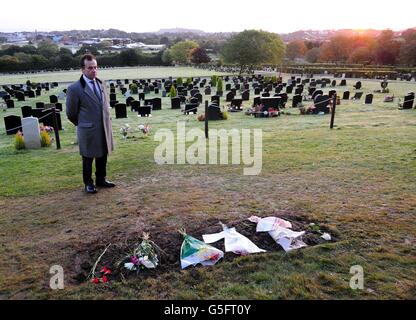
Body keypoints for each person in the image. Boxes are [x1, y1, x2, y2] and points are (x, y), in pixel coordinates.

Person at [66, 54, 115, 194]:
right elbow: (71, 113)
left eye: (95, 67)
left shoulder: (101, 83)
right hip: (88, 129)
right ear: (82, 69)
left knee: (103, 154)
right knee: (88, 158)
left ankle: (101, 179)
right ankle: (88, 183)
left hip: (104, 127)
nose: (93, 70)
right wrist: (82, 124)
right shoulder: (75, 89)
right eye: (90, 68)